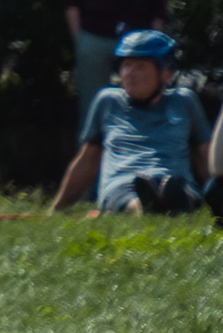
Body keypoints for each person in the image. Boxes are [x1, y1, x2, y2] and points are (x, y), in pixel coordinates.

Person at [52, 30, 211, 216]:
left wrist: (216, 193)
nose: (129, 74)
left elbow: (205, 156)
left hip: (173, 180)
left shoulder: (184, 101)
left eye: (140, 67)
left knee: (181, 190)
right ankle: (146, 207)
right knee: (129, 197)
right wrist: (56, 208)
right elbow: (87, 160)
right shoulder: (107, 101)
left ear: (166, 74)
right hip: (122, 183)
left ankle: (171, 203)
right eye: (126, 65)